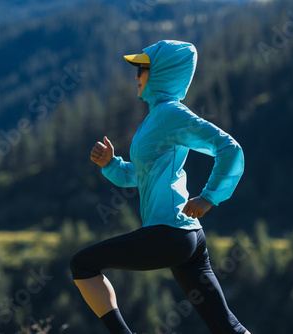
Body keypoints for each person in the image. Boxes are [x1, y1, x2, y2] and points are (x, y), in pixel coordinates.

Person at [70, 40, 250, 334]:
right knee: (227, 327)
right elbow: (136, 176)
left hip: (169, 234)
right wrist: (111, 164)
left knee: (82, 265)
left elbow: (228, 147)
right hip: (187, 236)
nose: (136, 77)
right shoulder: (157, 117)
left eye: (141, 70)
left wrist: (209, 197)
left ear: (161, 73)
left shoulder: (170, 114)